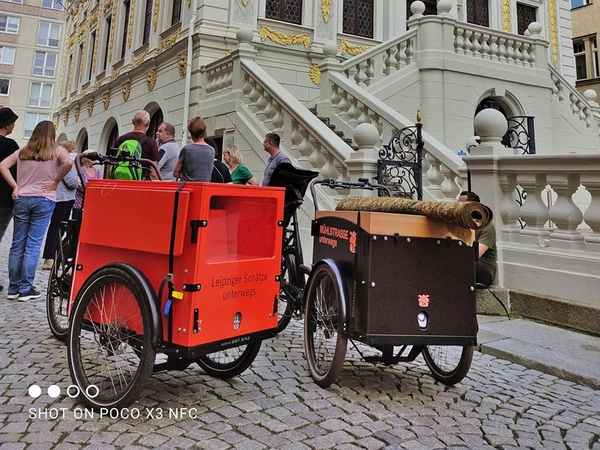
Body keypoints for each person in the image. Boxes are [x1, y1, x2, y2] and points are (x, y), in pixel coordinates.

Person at [0, 121, 72, 300]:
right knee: (33, 244)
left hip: (22, 198)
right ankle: (26, 288)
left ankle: (13, 288)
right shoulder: (57, 151)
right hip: (44, 199)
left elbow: (3, 165)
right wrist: (56, 180)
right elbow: (69, 163)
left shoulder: (24, 151)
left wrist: (15, 186)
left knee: (17, 243)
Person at [41, 141, 79, 270]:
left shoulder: (56, 158)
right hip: (64, 198)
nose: (76, 152)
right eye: (74, 149)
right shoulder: (66, 161)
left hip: (59, 197)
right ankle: (51, 257)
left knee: (57, 227)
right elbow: (72, 182)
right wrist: (78, 180)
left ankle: (52, 256)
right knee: (58, 227)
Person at [458, 190, 497, 288]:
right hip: (466, 265)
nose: (458, 209)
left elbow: (474, 255)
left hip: (484, 272)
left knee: (464, 262)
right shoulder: (459, 224)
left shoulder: (486, 227)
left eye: (462, 206)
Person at [0, 107, 19, 293]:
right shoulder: (10, 146)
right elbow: (17, 171)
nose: (14, 125)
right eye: (13, 122)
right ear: (7, 124)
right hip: (3, 199)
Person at [113, 109, 159, 178]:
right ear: (148, 123)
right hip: (139, 185)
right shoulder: (151, 143)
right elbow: (153, 172)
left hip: (119, 182)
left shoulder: (120, 139)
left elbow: (111, 162)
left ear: (133, 122)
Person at [173, 117, 214, 182]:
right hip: (203, 188)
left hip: (188, 187)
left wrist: (182, 174)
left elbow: (175, 172)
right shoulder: (211, 150)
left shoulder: (187, 150)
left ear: (191, 133)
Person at [72, 149, 103, 220]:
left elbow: (100, 185)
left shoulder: (97, 171)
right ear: (85, 158)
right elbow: (81, 185)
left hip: (93, 204)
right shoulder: (80, 170)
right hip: (79, 204)